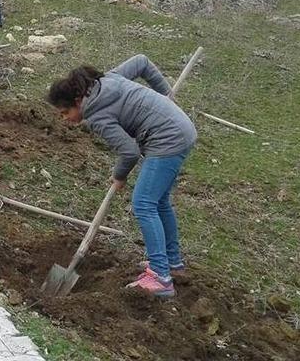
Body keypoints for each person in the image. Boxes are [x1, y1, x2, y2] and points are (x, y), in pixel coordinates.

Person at [47, 54, 197, 298]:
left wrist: (119, 176)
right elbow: (142, 62)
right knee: (159, 202)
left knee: (143, 203)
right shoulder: (109, 78)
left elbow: (129, 152)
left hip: (167, 140)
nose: (65, 120)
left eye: (65, 113)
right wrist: (167, 96)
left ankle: (160, 277)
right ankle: (172, 264)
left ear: (77, 100)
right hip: (181, 128)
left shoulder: (96, 115)